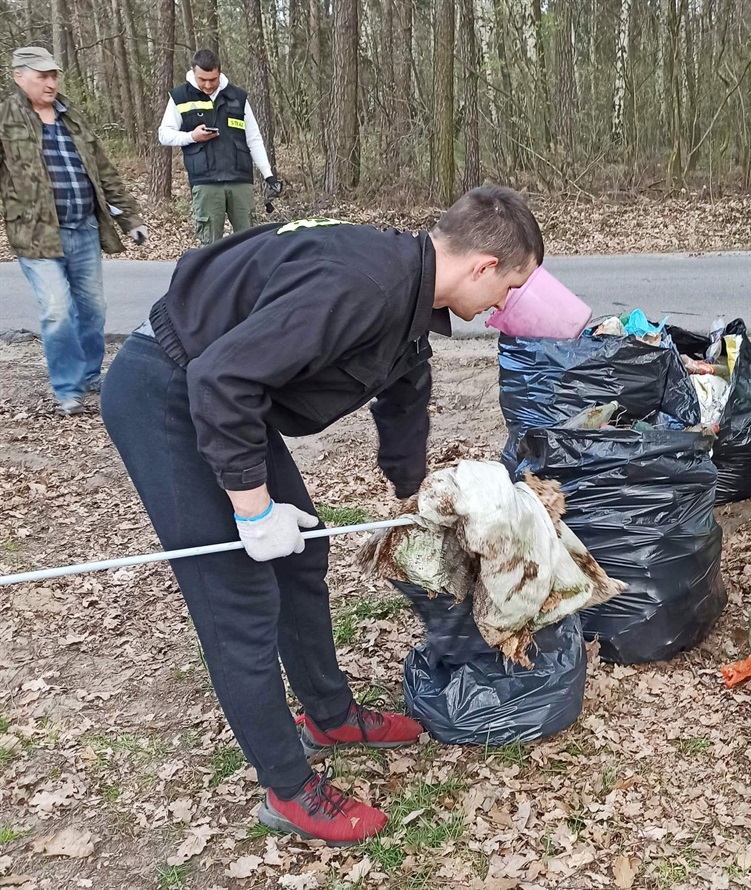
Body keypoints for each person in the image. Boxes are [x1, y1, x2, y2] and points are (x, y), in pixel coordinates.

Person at [100, 186, 544, 846]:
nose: (506, 304)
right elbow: (221, 380)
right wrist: (251, 514)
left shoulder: (408, 296)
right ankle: (288, 788)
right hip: (171, 391)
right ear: (481, 265)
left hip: (223, 397)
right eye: (510, 286)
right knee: (241, 598)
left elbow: (403, 397)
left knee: (302, 554)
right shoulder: (361, 283)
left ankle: (329, 716)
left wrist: (413, 495)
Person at [0, 47, 147, 415]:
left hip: (83, 229)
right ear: (19, 76)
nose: (50, 82)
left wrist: (130, 218)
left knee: (92, 309)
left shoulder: (72, 118)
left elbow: (104, 171)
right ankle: (68, 389)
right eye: (42, 76)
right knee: (56, 310)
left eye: (53, 75)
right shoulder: (5, 119)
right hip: (36, 234)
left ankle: (88, 375)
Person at [158, 49, 282, 245]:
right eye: (202, 79)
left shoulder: (238, 97)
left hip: (239, 178)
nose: (208, 85)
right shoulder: (180, 96)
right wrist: (192, 136)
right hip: (205, 181)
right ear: (193, 72)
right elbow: (164, 135)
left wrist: (268, 175)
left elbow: (254, 138)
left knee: (250, 244)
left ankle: (246, 277)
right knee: (210, 247)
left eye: (213, 79)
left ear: (220, 72)